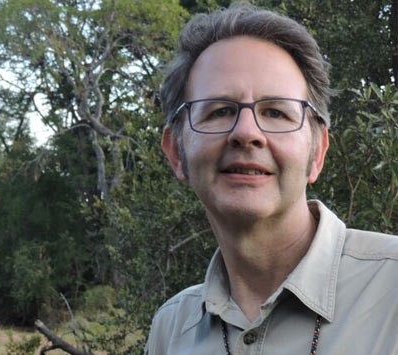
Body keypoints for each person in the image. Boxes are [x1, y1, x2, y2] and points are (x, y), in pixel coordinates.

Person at [146, 3, 398, 355]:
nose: (246, 133)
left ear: (318, 151)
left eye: (276, 112)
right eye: (219, 111)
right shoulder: (171, 329)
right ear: (176, 151)